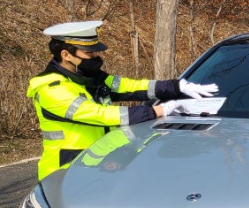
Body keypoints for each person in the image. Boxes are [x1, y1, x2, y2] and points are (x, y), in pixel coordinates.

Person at [27, 20, 218, 180]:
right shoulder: (50, 88)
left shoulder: (89, 77)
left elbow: (130, 87)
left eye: (95, 51)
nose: (96, 56)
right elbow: (99, 115)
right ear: (66, 55)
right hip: (64, 172)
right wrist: (158, 111)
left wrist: (177, 87)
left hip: (100, 165)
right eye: (89, 53)